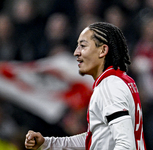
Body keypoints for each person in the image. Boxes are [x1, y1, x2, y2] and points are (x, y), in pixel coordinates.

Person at [24, 22, 146, 150]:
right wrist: (48, 143)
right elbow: (96, 138)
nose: (76, 53)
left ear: (103, 50)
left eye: (83, 46)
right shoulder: (119, 80)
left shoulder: (110, 87)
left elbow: (125, 144)